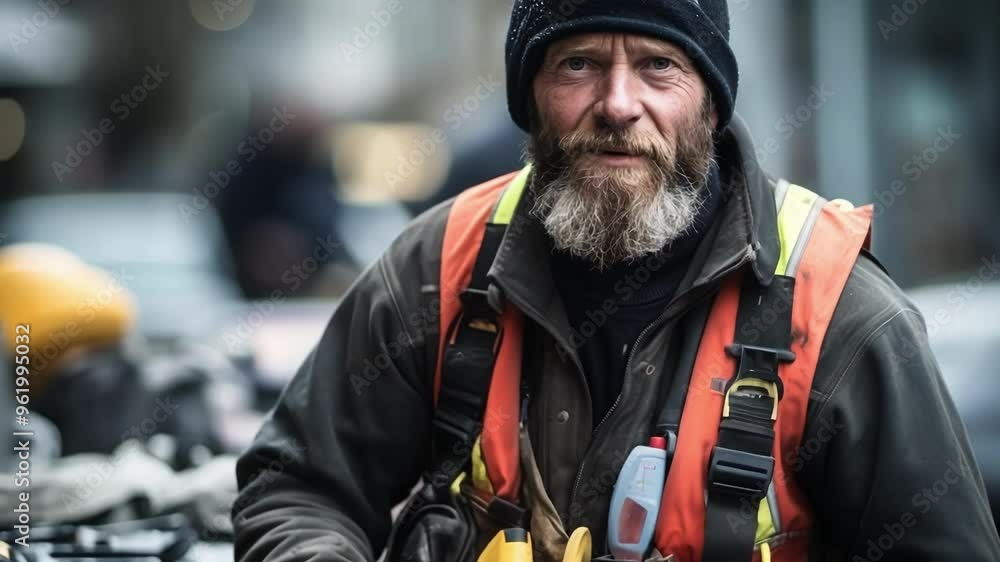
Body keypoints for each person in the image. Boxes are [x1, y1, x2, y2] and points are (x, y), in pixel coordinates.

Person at [232, 1, 1000, 561]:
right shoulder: (437, 270)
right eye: (579, 64)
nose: (619, 105)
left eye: (659, 65)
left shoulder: (841, 312)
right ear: (530, 97)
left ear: (708, 98)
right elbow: (300, 487)